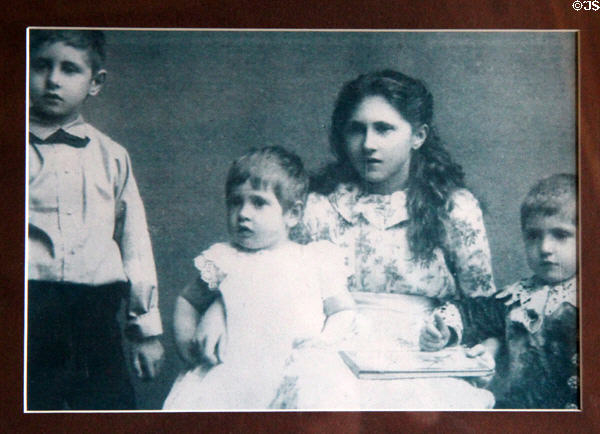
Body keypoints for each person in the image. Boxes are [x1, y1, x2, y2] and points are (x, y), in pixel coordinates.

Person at [195, 70, 497, 409]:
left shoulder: (453, 208)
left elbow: (484, 305)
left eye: (384, 129)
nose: (368, 144)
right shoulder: (315, 205)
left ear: (418, 136)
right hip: (329, 352)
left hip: (422, 355)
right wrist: (220, 308)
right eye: (357, 129)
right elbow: (259, 264)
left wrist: (466, 339)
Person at [27, 30, 164, 410]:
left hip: (95, 316)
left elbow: (136, 245)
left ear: (95, 83)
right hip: (29, 311)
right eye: (40, 65)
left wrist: (145, 331)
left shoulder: (113, 156)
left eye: (69, 69)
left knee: (109, 411)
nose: (52, 79)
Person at [163, 147, 356, 410]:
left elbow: (342, 311)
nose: (243, 213)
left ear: (293, 214)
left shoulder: (315, 260)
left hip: (293, 376)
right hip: (230, 381)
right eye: (235, 201)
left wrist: (321, 346)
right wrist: (189, 349)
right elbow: (188, 301)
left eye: (258, 202)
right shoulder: (224, 259)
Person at [452, 174, 578, 408]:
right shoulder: (516, 297)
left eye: (560, 235)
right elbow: (473, 316)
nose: (545, 248)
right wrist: (444, 327)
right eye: (533, 236)